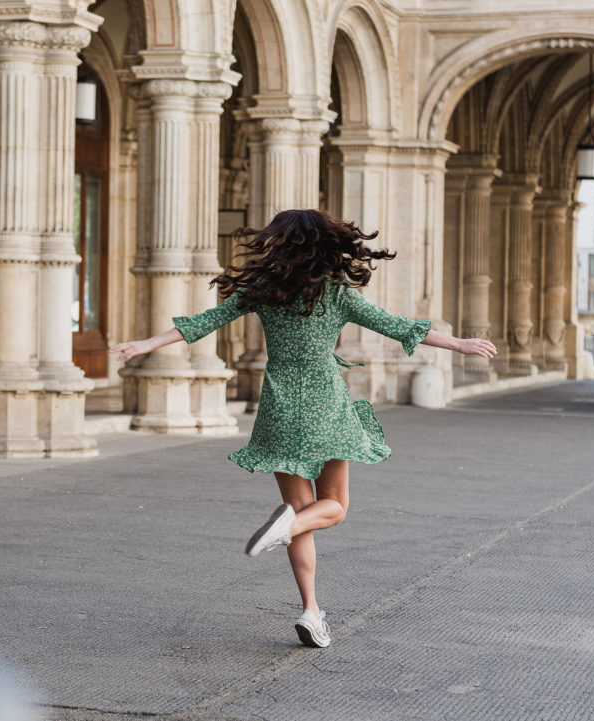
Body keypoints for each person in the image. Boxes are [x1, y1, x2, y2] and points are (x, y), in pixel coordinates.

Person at [108, 209, 496, 649]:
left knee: (300, 513)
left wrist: (144, 345)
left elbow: (203, 323)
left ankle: (312, 610)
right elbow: (399, 327)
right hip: (324, 404)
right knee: (333, 507)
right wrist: (460, 344)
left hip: (278, 405)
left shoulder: (263, 290)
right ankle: (289, 543)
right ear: (327, 245)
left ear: (279, 243)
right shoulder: (338, 295)